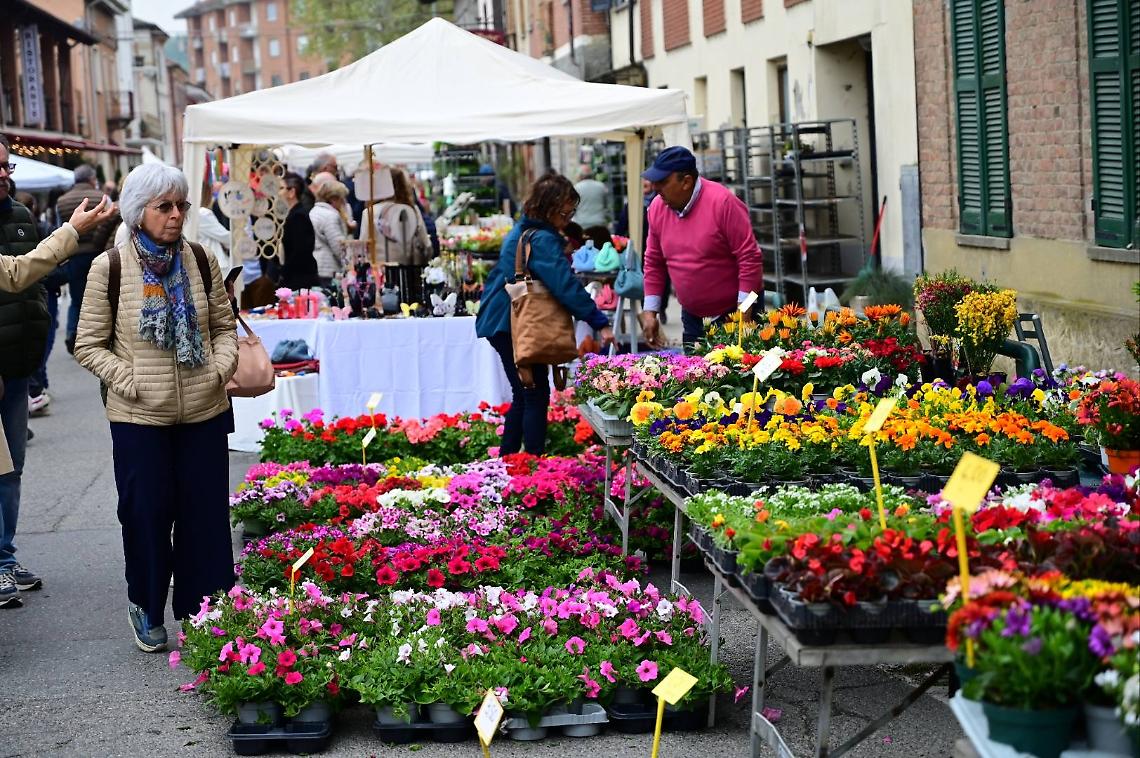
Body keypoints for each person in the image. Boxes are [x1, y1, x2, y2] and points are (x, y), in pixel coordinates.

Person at [73, 163, 238, 651]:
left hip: (203, 411)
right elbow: (87, 344)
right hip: (138, 417)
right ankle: (145, 604)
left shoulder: (201, 260)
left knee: (204, 515)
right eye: (164, 206)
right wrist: (130, 380)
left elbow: (224, 328)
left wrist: (218, 370)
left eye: (181, 205)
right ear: (137, 211)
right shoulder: (110, 267)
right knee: (145, 514)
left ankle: (206, 610)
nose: (176, 215)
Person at [0, 161, 115, 609]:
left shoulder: (20, 215)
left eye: (5, 165)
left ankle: (5, 557)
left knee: (11, 468)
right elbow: (15, 272)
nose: (3, 174)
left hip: (17, 364)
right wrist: (71, 231)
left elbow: (32, 279)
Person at [476, 173, 614, 455]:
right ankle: (531, 464)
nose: (567, 218)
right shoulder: (541, 239)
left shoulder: (524, 231)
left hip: (503, 320)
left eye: (571, 212)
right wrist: (599, 321)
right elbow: (564, 285)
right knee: (535, 394)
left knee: (525, 393)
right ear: (549, 208)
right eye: (565, 212)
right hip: (513, 322)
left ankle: (509, 461)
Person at [638, 146, 762, 349]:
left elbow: (750, 258)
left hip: (736, 312)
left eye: (663, 182)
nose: (655, 188)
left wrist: (744, 312)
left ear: (686, 182)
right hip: (693, 316)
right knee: (695, 368)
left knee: (742, 367)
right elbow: (653, 262)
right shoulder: (657, 208)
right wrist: (650, 312)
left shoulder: (723, 202)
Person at [56, 163, 121, 354]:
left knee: (76, 299)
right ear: (92, 179)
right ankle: (96, 336)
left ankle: (72, 335)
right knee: (98, 296)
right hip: (97, 251)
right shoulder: (102, 197)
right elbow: (109, 222)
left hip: (73, 253)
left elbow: (60, 229)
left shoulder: (62, 201)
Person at [15, 192, 64, 415]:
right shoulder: (38, 227)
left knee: (42, 335)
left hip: (39, 289)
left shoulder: (37, 227)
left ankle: (37, 386)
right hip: (37, 290)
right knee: (43, 336)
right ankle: (36, 387)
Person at [361, 167, 431, 303]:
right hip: (408, 271)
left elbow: (364, 245)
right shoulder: (411, 210)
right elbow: (424, 243)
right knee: (408, 306)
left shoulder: (369, 213)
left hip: (379, 273)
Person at [278, 172, 319, 290]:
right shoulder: (292, 214)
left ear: (291, 192)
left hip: (299, 279)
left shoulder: (298, 216)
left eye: (281, 188)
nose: (278, 193)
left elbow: (300, 250)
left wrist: (284, 270)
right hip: (296, 276)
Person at [309, 179, 349, 285]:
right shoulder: (330, 216)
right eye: (342, 199)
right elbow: (338, 246)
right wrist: (349, 265)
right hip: (328, 269)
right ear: (333, 199)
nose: (343, 203)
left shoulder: (313, 212)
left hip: (316, 266)